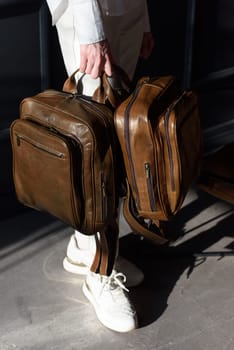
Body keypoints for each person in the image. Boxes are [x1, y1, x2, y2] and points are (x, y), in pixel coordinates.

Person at [46, 0, 155, 333]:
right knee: (99, 150)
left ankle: (86, 246)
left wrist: (144, 18)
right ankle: (100, 273)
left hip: (126, 11)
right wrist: (91, 33)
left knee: (115, 139)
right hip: (90, 16)